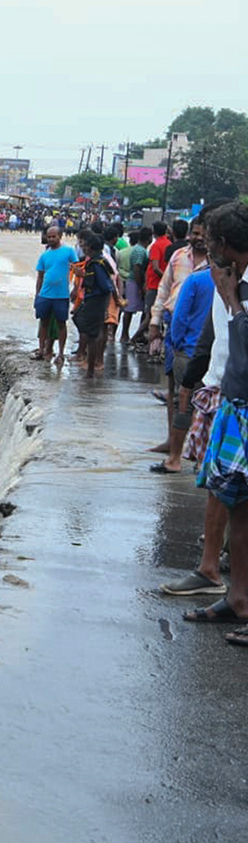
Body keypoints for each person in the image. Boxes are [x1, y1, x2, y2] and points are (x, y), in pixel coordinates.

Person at [180, 202, 248, 641]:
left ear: (224, 245)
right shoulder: (230, 282)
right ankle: (238, 597)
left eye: (211, 241)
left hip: (243, 403)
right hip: (233, 400)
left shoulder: (236, 290)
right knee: (238, 507)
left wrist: (232, 303)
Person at [151, 221, 214, 473]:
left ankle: (178, 455)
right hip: (182, 335)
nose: (196, 238)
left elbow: (181, 317)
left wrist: (177, 343)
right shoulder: (179, 257)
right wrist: (155, 322)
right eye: (194, 233)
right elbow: (163, 290)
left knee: (185, 398)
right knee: (177, 392)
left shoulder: (205, 275)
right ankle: (176, 445)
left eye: (202, 234)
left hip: (189, 341)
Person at [33, 225, 78, 364]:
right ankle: (42, 350)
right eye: (49, 236)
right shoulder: (44, 255)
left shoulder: (69, 251)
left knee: (61, 324)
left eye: (54, 236)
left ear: (60, 236)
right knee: (43, 323)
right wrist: (37, 294)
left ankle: (60, 353)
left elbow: (78, 269)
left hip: (62, 295)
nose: (51, 239)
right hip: (45, 295)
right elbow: (40, 276)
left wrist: (76, 288)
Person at [72, 231, 114, 378]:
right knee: (78, 319)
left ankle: (90, 369)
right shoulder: (96, 261)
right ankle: (90, 365)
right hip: (93, 300)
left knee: (92, 335)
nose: (82, 247)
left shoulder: (96, 264)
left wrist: (84, 275)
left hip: (96, 301)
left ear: (89, 248)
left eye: (84, 245)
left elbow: (104, 285)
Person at [120, 227, 151, 342]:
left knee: (141, 309)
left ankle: (137, 334)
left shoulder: (140, 249)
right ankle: (125, 335)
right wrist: (140, 286)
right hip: (135, 282)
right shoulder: (140, 251)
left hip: (136, 281)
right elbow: (137, 268)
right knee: (129, 309)